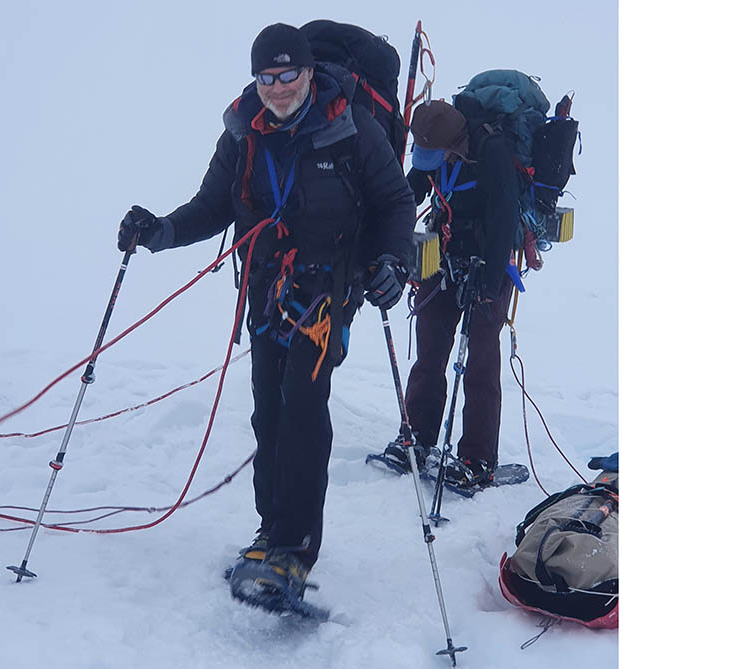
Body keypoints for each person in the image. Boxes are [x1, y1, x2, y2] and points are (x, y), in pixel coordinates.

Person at [116, 23, 415, 610]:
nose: (278, 88)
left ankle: (295, 548)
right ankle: (269, 531)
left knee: (302, 410)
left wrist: (392, 263)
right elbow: (211, 206)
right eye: (267, 76)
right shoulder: (242, 135)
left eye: (289, 74)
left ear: (308, 73)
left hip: (327, 293)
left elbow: (394, 201)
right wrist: (159, 232)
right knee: (267, 413)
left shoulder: (350, 128)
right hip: (265, 291)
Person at [377, 99, 522, 489]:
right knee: (430, 353)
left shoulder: (491, 151)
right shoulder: (434, 149)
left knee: (479, 361)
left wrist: (490, 285)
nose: (427, 161)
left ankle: (477, 458)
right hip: (443, 259)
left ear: (456, 143)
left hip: (488, 263)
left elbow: (505, 216)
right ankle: (417, 439)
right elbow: (409, 193)